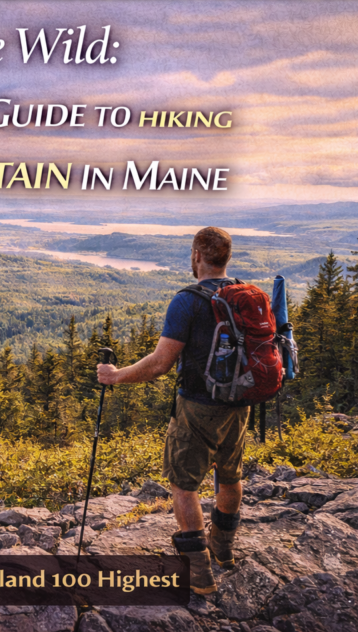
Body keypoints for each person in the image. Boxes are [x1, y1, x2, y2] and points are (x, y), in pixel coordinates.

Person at [97, 226, 247, 595]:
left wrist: (115, 377)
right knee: (230, 476)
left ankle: (198, 572)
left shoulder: (188, 301)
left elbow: (159, 365)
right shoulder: (244, 295)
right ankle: (223, 551)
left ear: (197, 255)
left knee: (184, 484)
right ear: (226, 258)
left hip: (198, 404)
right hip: (239, 403)